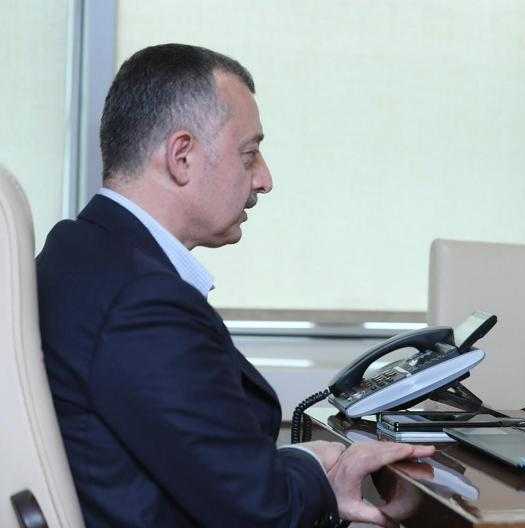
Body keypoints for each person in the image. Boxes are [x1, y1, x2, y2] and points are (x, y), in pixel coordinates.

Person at [36, 43, 432, 528]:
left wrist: (298, 464)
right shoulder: (142, 303)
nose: (264, 180)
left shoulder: (75, 252)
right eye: (249, 155)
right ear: (181, 156)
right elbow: (261, 514)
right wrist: (322, 471)